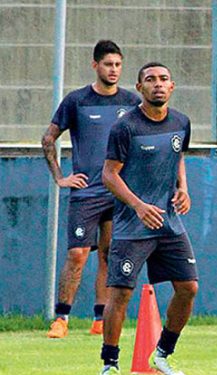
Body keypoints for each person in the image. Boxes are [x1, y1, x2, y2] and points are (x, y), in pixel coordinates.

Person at [99, 62, 198, 375]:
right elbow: (109, 174)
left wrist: (183, 188)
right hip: (132, 225)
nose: (158, 84)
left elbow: (178, 157)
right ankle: (109, 365)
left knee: (188, 287)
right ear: (139, 88)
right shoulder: (125, 127)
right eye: (150, 80)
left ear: (172, 86)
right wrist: (139, 206)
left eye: (164, 79)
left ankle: (163, 355)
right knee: (121, 294)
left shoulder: (182, 122)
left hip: (169, 223)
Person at [42, 40, 140, 338]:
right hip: (86, 194)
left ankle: (100, 318)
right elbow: (48, 139)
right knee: (77, 254)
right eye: (108, 64)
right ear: (95, 65)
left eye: (118, 65)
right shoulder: (76, 101)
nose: (114, 70)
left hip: (118, 193)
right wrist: (60, 177)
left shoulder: (132, 102)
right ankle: (61, 318)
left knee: (109, 255)